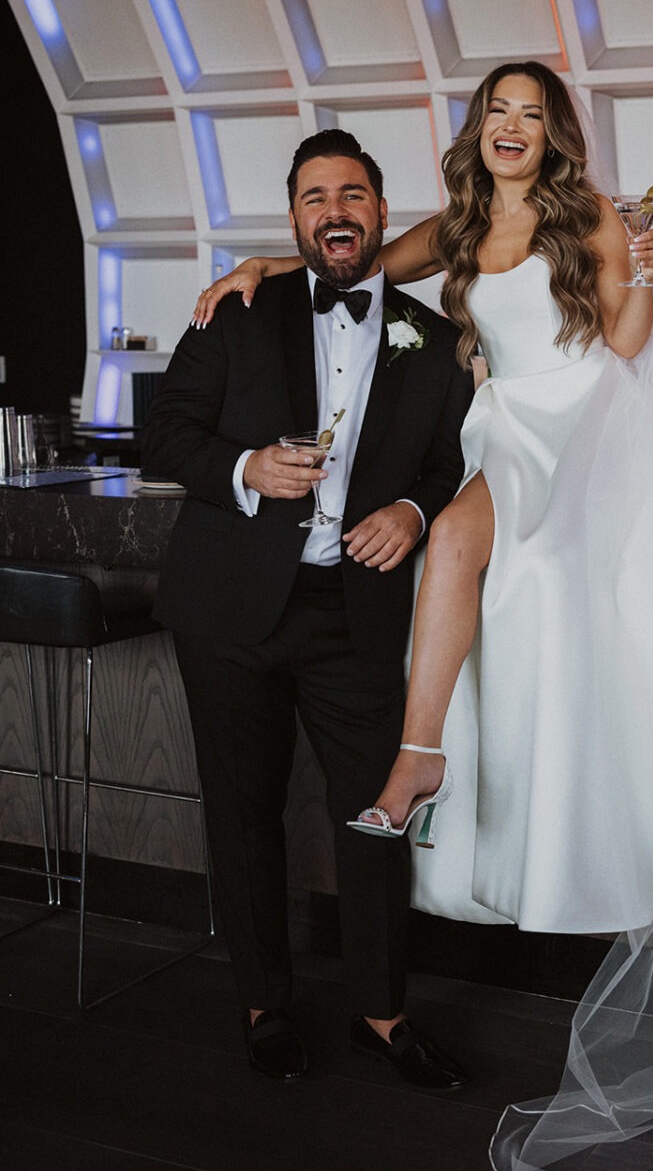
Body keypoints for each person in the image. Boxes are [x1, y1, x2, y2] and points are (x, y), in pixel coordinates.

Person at [194, 64, 653, 1171]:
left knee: (489, 547)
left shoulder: (591, 215)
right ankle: (422, 758)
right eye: (496, 112)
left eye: (529, 116)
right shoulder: (444, 226)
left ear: (554, 136)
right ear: (477, 130)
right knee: (453, 541)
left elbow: (630, 345)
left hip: (577, 419)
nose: (509, 128)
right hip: (498, 428)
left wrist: (646, 271)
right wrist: (256, 263)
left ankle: (411, 758)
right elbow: (340, 274)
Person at [143, 128, 475, 1089]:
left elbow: (454, 462)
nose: (336, 211)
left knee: (375, 818)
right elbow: (165, 436)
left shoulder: (439, 337)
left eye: (354, 194)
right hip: (228, 608)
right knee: (242, 814)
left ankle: (383, 1013)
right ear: (295, 218)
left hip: (355, 613)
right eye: (316, 197)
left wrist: (415, 513)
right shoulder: (240, 310)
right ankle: (263, 1006)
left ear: (381, 208)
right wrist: (245, 468)